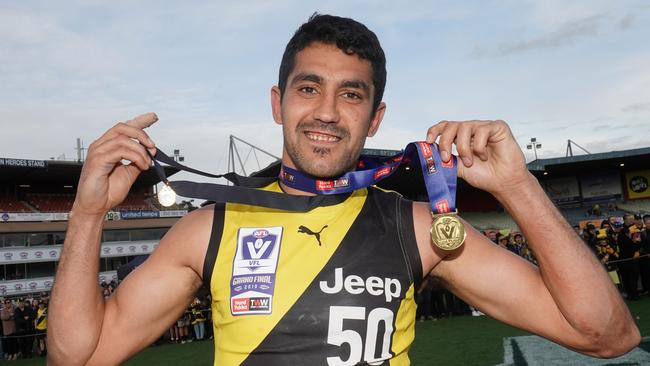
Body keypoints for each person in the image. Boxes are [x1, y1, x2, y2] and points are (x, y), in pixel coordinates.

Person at [48, 14, 639, 365]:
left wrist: (517, 186)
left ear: (375, 117)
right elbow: (75, 358)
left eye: (351, 95)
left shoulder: (420, 227)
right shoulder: (210, 228)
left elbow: (606, 334)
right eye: (309, 89)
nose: (327, 112)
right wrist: (87, 213)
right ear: (278, 102)